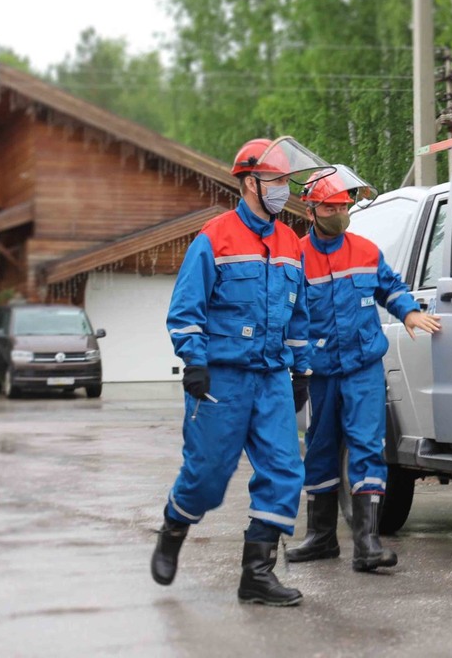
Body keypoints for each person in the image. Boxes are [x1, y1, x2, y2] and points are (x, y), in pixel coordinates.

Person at [150, 136, 321, 606]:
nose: (284, 189)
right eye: (276, 180)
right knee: (207, 476)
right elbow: (186, 309)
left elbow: (298, 314)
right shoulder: (215, 237)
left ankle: (257, 575)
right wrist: (195, 363)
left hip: (271, 380)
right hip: (221, 380)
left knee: (286, 471)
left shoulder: (291, 243)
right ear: (249, 182)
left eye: (287, 180)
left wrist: (302, 370)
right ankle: (173, 527)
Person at [286, 165, 441, 572]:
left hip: (363, 370)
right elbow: (284, 314)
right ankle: (320, 538)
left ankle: (368, 543)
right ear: (313, 210)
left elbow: (390, 288)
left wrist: (407, 313)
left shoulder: (366, 251)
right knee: (319, 451)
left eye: (345, 205)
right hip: (319, 374)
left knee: (368, 448)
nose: (342, 211)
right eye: (333, 205)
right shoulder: (296, 258)